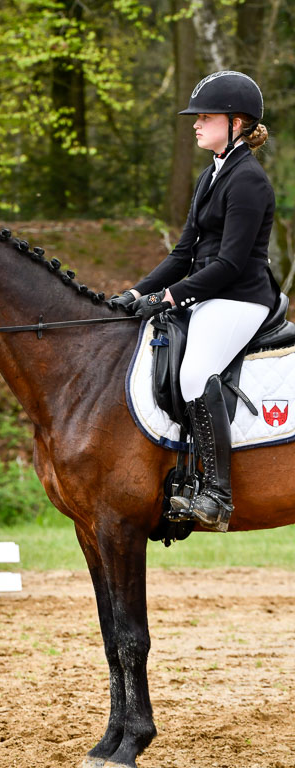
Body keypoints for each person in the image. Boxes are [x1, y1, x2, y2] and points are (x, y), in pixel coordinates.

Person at [115, 70, 280, 532]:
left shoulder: (248, 180)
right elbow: (183, 253)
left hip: (242, 298)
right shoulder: (212, 174)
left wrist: (168, 297)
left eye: (204, 116)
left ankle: (218, 495)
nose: (195, 124)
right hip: (210, 294)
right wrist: (136, 293)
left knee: (193, 372)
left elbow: (228, 265)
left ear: (236, 121)